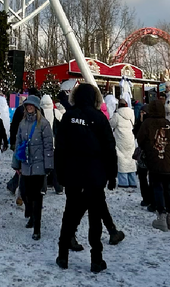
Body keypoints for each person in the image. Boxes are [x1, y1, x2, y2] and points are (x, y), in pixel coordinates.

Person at [54, 83, 116, 273]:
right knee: (95, 218)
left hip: (73, 174)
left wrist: (60, 174)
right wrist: (112, 175)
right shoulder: (100, 118)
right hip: (95, 175)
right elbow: (109, 149)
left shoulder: (68, 117)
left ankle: (63, 255)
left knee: (69, 216)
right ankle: (96, 259)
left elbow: (60, 149)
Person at [140, 97, 170, 230]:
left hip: (155, 161)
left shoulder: (147, 124)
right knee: (168, 189)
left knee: (157, 188)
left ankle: (161, 217)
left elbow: (140, 140)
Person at [11, 94, 54, 241]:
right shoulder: (23, 123)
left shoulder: (44, 124)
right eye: (27, 105)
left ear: (36, 107)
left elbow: (48, 146)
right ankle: (31, 215)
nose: (29, 107)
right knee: (25, 193)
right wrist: (16, 162)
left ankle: (37, 227)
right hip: (26, 164)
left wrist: (48, 166)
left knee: (37, 196)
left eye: (31, 105)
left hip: (39, 165)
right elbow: (18, 143)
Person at [110, 96, 138, 189]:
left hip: (120, 138)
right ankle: (133, 181)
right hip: (130, 138)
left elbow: (112, 124)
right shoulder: (131, 113)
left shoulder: (117, 115)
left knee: (122, 159)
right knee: (131, 158)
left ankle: (123, 181)